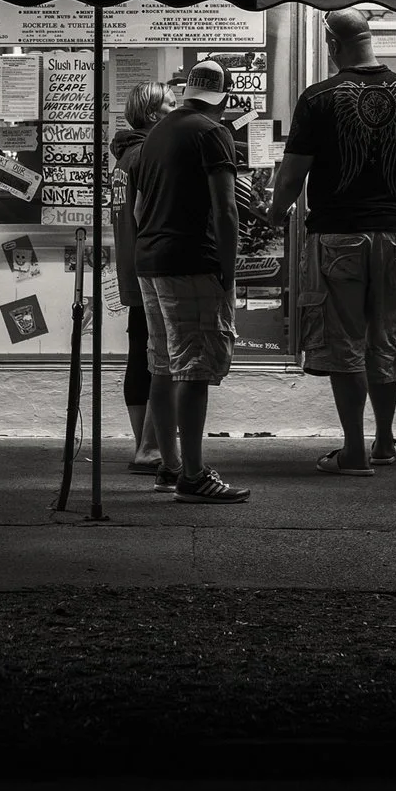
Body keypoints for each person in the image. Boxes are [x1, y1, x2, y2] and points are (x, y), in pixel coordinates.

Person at [268, 9, 396, 476]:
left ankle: (352, 451)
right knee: (385, 336)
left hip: (338, 235)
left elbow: (291, 178)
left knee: (345, 341)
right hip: (393, 234)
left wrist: (271, 215)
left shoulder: (318, 98)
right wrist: (386, 188)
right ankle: (385, 442)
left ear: (332, 44)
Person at [132, 59, 250, 503]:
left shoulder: (157, 134)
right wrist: (230, 272)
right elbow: (226, 210)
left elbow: (141, 208)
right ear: (222, 97)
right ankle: (195, 475)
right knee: (195, 367)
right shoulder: (212, 132)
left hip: (151, 259)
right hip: (191, 262)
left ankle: (169, 464)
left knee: (163, 364)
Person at [109, 82, 173, 473]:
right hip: (152, 269)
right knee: (161, 357)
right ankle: (150, 448)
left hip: (131, 269)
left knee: (140, 353)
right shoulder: (148, 154)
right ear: (152, 115)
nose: (176, 107)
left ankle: (142, 444)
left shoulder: (123, 156)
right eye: (169, 103)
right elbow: (146, 214)